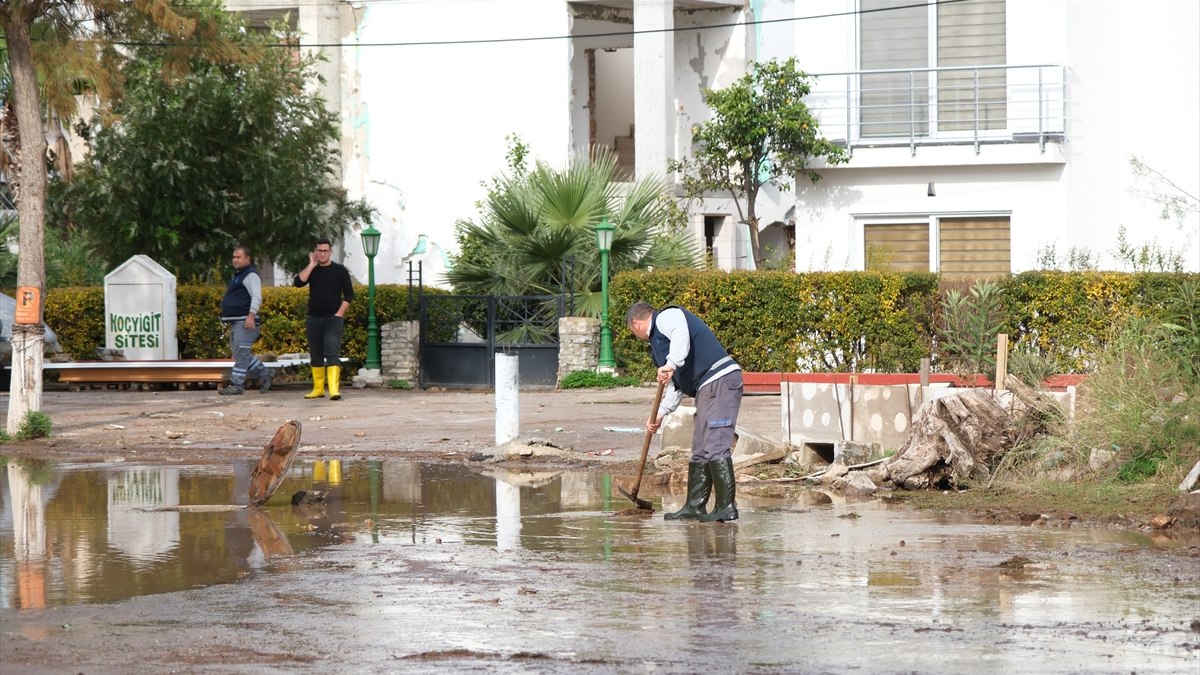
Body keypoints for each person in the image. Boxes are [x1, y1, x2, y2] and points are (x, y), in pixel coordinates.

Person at [626, 301, 743, 522]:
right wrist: (660, 413)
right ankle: (695, 506)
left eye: (632, 331)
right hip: (705, 388)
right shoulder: (657, 347)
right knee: (700, 448)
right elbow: (675, 385)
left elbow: (682, 335)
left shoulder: (666, 317)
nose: (634, 335)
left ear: (636, 323)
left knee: (715, 443)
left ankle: (726, 507)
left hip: (719, 379)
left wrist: (671, 364)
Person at [293, 238, 354, 400]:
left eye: (325, 251)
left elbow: (349, 294)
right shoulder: (312, 269)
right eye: (319, 251)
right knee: (316, 354)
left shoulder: (340, 270)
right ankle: (318, 388)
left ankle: (334, 389)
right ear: (315, 252)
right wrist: (311, 265)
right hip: (314, 318)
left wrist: (339, 313)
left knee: (332, 352)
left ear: (330, 252)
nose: (322, 253)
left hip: (332, 319)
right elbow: (298, 282)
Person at [218, 246, 272, 396]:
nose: (235, 260)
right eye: (234, 257)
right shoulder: (238, 275)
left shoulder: (250, 275)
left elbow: (257, 297)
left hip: (246, 321)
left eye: (238, 257)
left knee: (241, 354)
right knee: (240, 353)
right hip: (237, 322)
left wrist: (251, 316)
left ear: (247, 259)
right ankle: (265, 373)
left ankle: (237, 385)